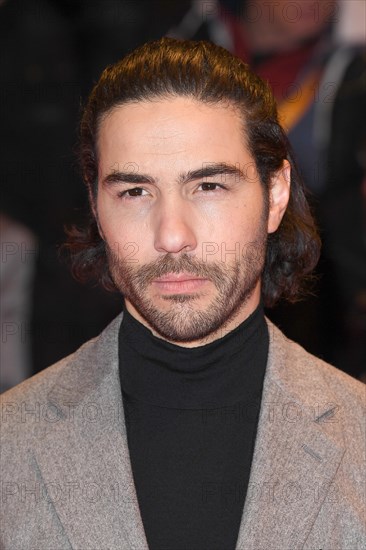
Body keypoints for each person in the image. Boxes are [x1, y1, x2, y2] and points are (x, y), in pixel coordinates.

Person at [1, 38, 365, 550]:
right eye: (134, 192)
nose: (172, 235)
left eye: (209, 186)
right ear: (96, 206)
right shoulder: (10, 445)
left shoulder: (359, 441)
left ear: (275, 195)